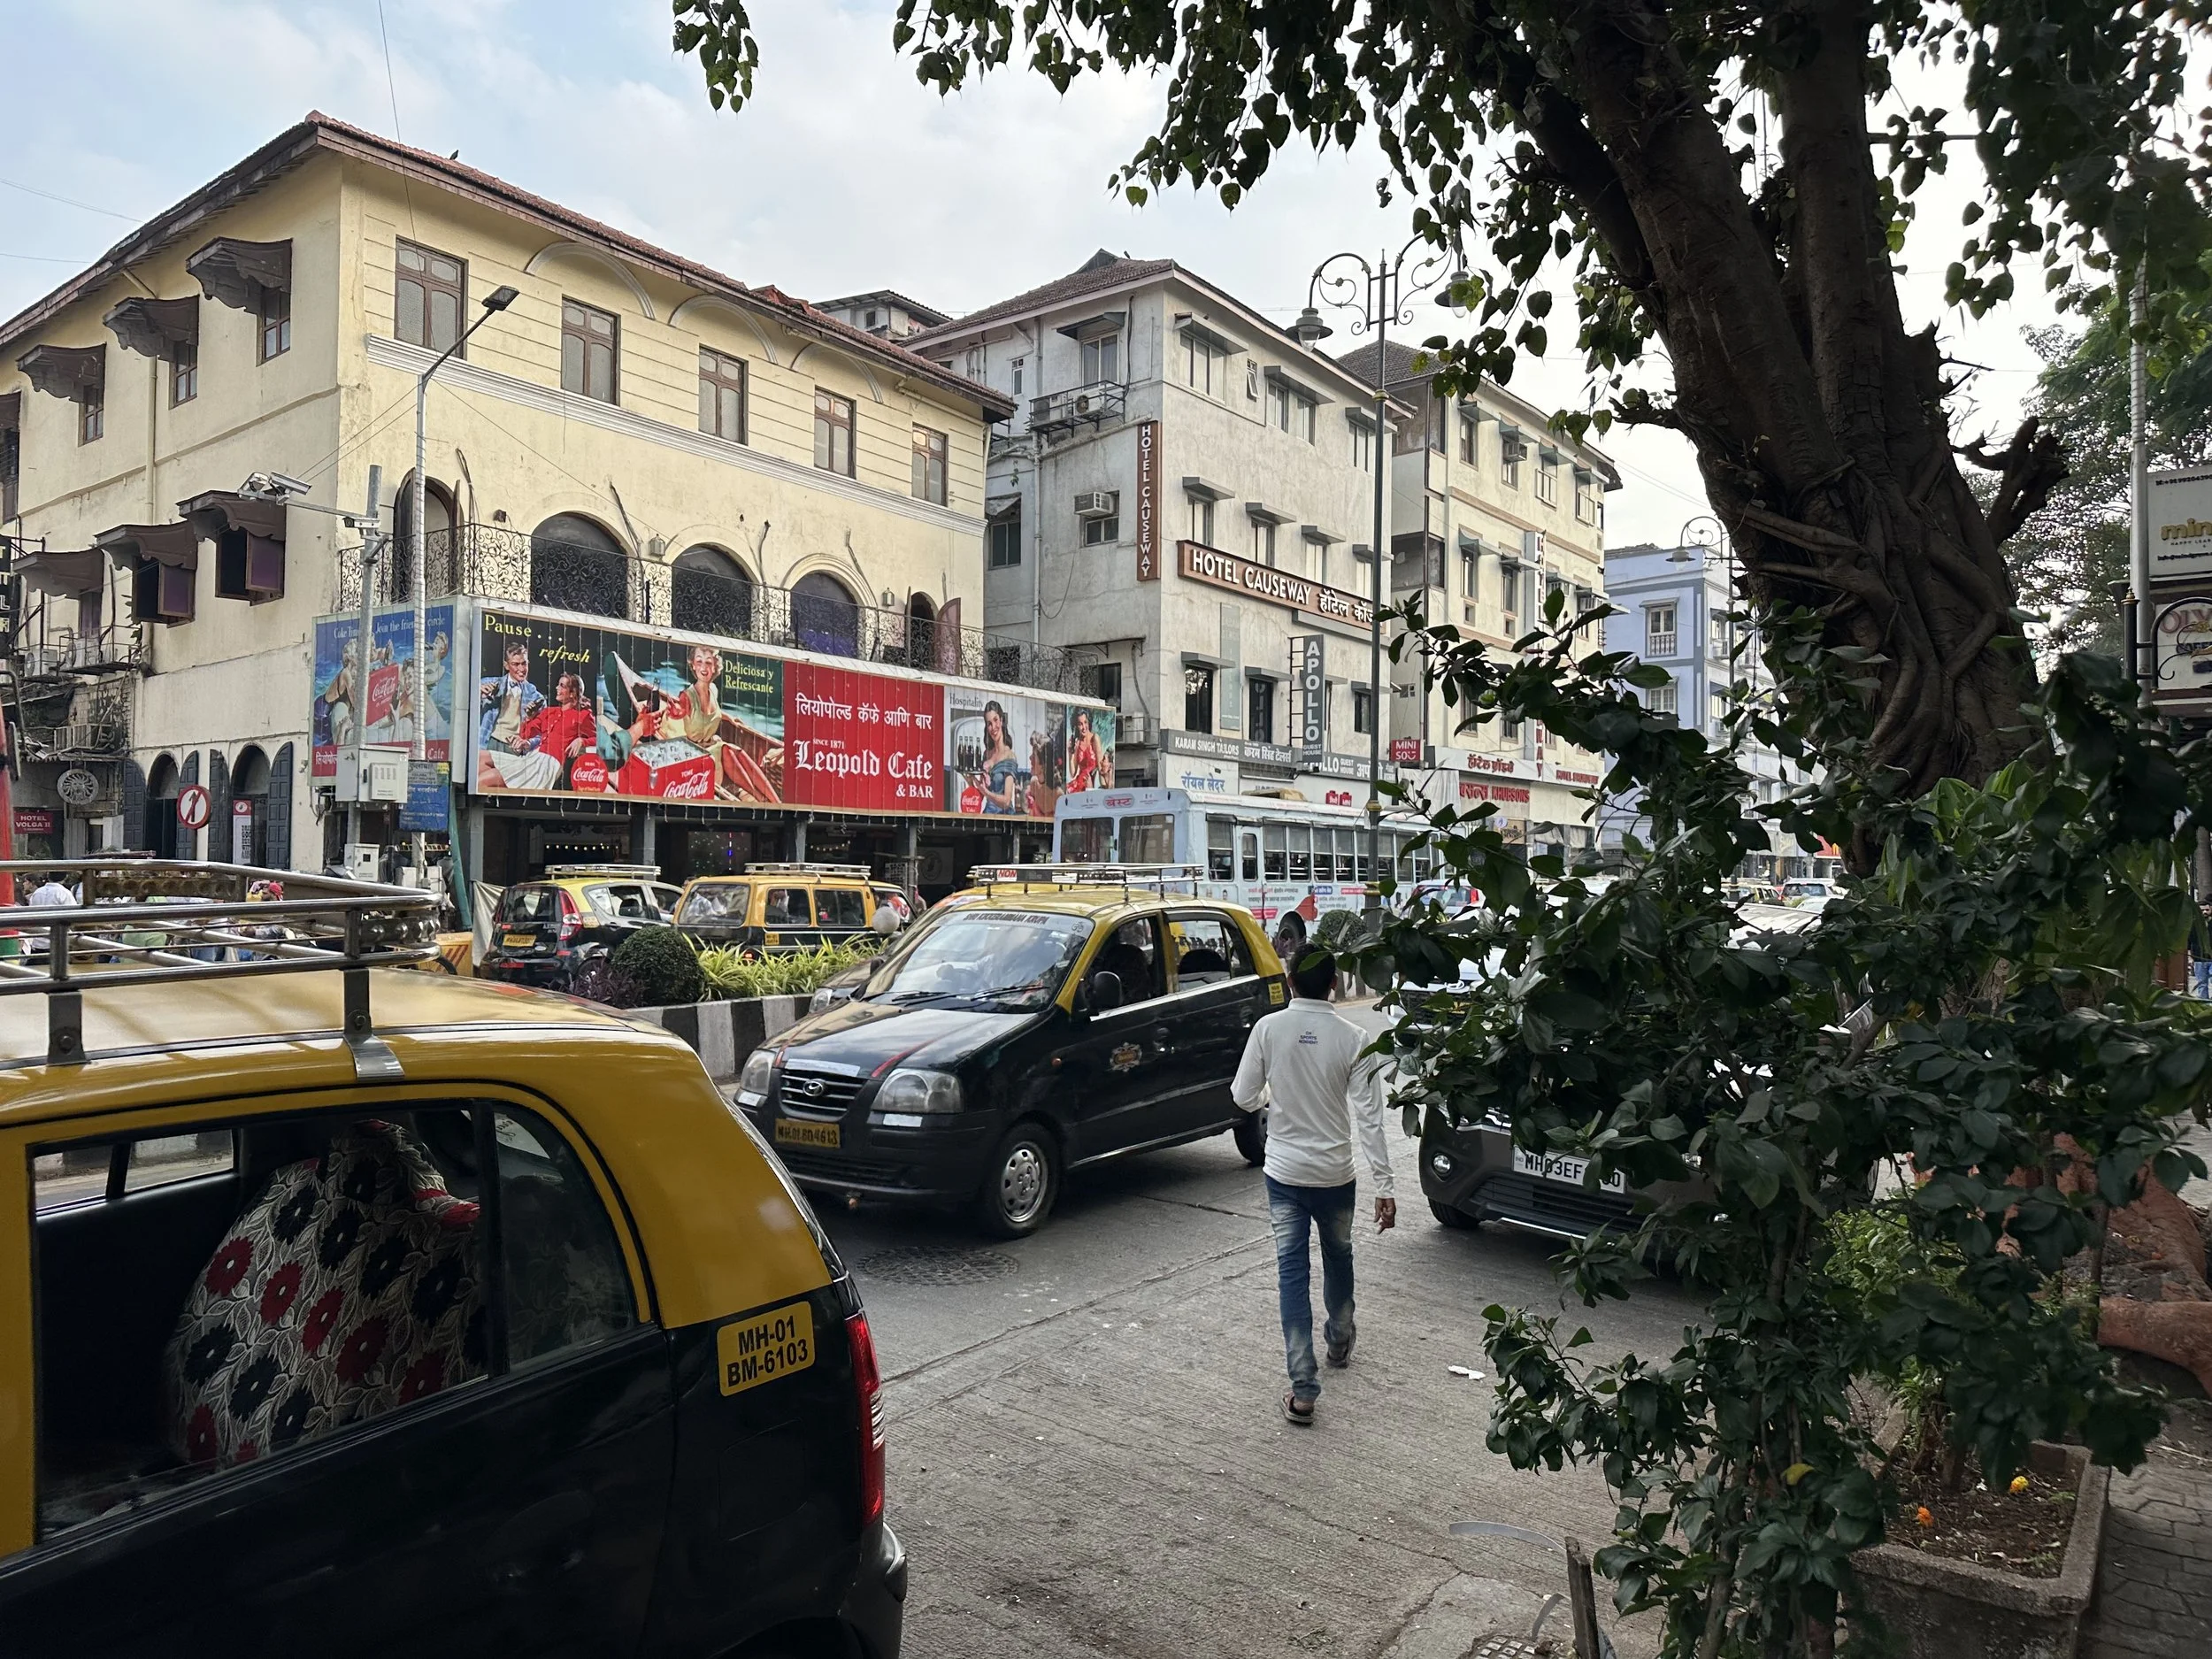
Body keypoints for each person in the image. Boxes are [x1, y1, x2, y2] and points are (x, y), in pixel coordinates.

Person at [1230, 948, 1394, 1426]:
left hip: (1284, 1174)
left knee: (1292, 1273)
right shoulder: (1354, 1038)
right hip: (1335, 1174)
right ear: (1334, 984)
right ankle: (1339, 1339)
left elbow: (1243, 1095)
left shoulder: (1269, 1029)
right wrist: (1385, 1186)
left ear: (1290, 982)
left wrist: (1270, 1094)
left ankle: (1303, 1390)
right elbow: (1370, 1118)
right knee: (1339, 1257)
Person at [476, 642, 559, 791]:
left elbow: (542, 736)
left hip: (514, 750)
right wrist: (477, 694)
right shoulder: (487, 684)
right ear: (506, 665)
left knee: (499, 786)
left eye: (524, 664)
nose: (521, 669)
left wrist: (527, 742)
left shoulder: (537, 697)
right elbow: (461, 707)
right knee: (479, 784)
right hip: (488, 743)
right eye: (515, 664)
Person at [519, 672, 601, 789]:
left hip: (551, 764)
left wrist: (581, 741)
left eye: (562, 686)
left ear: (572, 693)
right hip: (534, 758)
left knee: (495, 776)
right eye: (558, 685)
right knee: (490, 762)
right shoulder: (549, 711)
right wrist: (529, 717)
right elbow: (525, 736)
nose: (557, 688)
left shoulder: (583, 715)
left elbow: (599, 740)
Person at [977, 702, 1021, 815]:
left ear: (1001, 720)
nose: (993, 727)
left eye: (995, 720)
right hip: (987, 816)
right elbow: (981, 792)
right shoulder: (986, 754)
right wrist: (970, 780)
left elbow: (1006, 801)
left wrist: (986, 793)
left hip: (1004, 818)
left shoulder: (1009, 756)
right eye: (989, 724)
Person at [1066, 708, 1109, 794]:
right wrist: (1070, 755)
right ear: (1076, 726)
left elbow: (1100, 768)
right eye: (1080, 724)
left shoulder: (1095, 738)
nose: (1084, 727)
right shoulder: (1077, 742)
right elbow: (1073, 773)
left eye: (1085, 722)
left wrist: (1105, 789)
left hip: (1090, 788)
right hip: (1078, 787)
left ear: (1089, 722)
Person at [2193, 902, 2212, 1000]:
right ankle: (2204, 1004)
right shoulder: (2194, 924)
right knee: (2201, 983)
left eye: (2207, 910)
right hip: (2198, 958)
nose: (2205, 912)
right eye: (2202, 910)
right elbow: (2190, 940)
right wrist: (2190, 957)